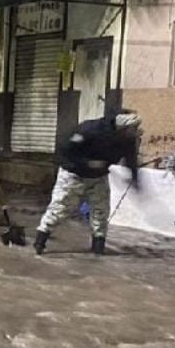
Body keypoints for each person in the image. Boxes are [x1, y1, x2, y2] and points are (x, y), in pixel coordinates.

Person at [33, 109, 143, 256]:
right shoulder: (90, 130)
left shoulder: (127, 140)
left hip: (98, 177)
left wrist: (135, 181)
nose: (134, 133)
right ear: (121, 129)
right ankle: (40, 241)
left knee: (100, 212)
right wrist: (88, 163)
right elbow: (66, 151)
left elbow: (131, 161)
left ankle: (98, 249)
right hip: (73, 175)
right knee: (60, 208)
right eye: (132, 130)